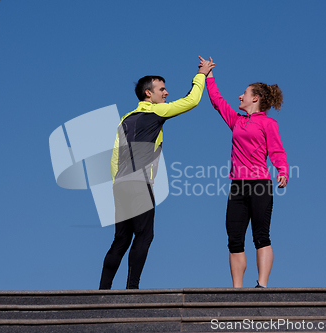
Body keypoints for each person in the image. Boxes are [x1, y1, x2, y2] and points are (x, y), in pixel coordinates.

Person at [99, 60, 216, 290]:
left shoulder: (125, 119)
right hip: (140, 183)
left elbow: (114, 157)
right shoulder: (155, 112)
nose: (166, 93)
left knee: (121, 240)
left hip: (120, 185)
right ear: (148, 93)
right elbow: (190, 101)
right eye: (162, 89)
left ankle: (102, 290)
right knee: (144, 235)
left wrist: (116, 185)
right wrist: (201, 75)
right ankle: (132, 289)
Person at [199, 56, 288, 288]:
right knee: (234, 239)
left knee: (261, 236)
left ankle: (262, 285)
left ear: (255, 98)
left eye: (245, 93)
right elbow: (218, 101)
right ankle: (237, 290)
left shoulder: (268, 124)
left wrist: (283, 170)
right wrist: (209, 76)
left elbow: (277, 150)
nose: (240, 96)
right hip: (237, 186)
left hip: (260, 184)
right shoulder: (237, 121)